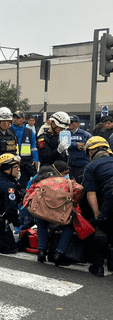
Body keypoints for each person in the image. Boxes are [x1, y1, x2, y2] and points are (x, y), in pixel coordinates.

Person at [82, 136, 113, 276]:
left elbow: (91, 193)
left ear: (91, 151)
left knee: (102, 227)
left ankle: (98, 266)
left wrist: (97, 215)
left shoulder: (91, 166)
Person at [11, 110, 39, 189]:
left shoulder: (29, 132)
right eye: (14, 118)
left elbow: (33, 147)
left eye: (18, 118)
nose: (15, 119)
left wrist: (35, 159)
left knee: (24, 187)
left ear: (23, 119)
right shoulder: (9, 131)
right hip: (12, 162)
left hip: (25, 163)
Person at [67, 115, 91, 184]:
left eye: (72, 122)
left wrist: (85, 147)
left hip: (82, 163)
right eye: (68, 122)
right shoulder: (64, 133)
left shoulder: (85, 134)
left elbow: (91, 144)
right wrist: (75, 145)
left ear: (77, 124)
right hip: (68, 163)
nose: (70, 124)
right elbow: (62, 143)